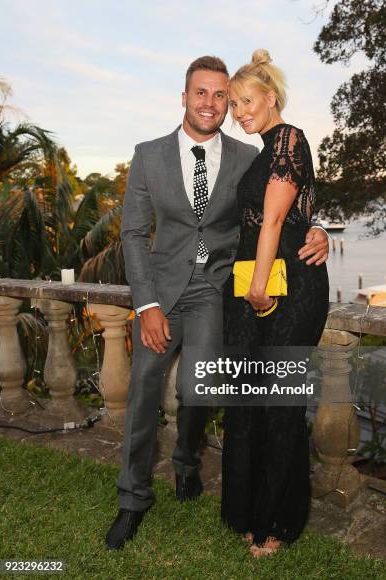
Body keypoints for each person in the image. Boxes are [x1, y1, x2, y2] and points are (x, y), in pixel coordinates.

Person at [105, 55, 329, 550]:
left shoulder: (247, 155)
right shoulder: (149, 155)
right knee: (143, 393)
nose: (211, 103)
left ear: (230, 102)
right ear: (183, 97)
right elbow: (135, 233)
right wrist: (146, 306)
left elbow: (285, 200)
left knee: (198, 387)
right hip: (161, 293)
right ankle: (131, 500)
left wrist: (318, 229)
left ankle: (186, 464)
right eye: (200, 93)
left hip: (217, 290)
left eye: (220, 95)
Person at [221, 50, 330, 557]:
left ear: (271, 97)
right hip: (255, 282)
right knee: (249, 398)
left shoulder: (288, 138)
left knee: (279, 402)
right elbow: (299, 213)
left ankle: (276, 524)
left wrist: (260, 287)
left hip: (282, 288)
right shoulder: (262, 149)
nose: (240, 111)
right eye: (234, 105)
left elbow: (273, 221)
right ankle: (250, 511)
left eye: (247, 101)